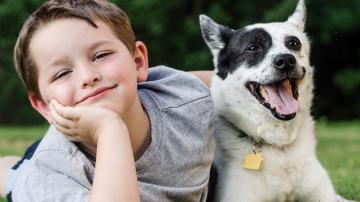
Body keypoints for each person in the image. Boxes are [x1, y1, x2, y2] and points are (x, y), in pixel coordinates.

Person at [1, 0, 215, 201]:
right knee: (15, 175)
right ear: (43, 106)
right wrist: (110, 129)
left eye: (101, 55)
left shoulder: (186, 99)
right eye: (62, 73)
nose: (87, 77)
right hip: (58, 154)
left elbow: (226, 84)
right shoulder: (47, 179)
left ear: (138, 62)